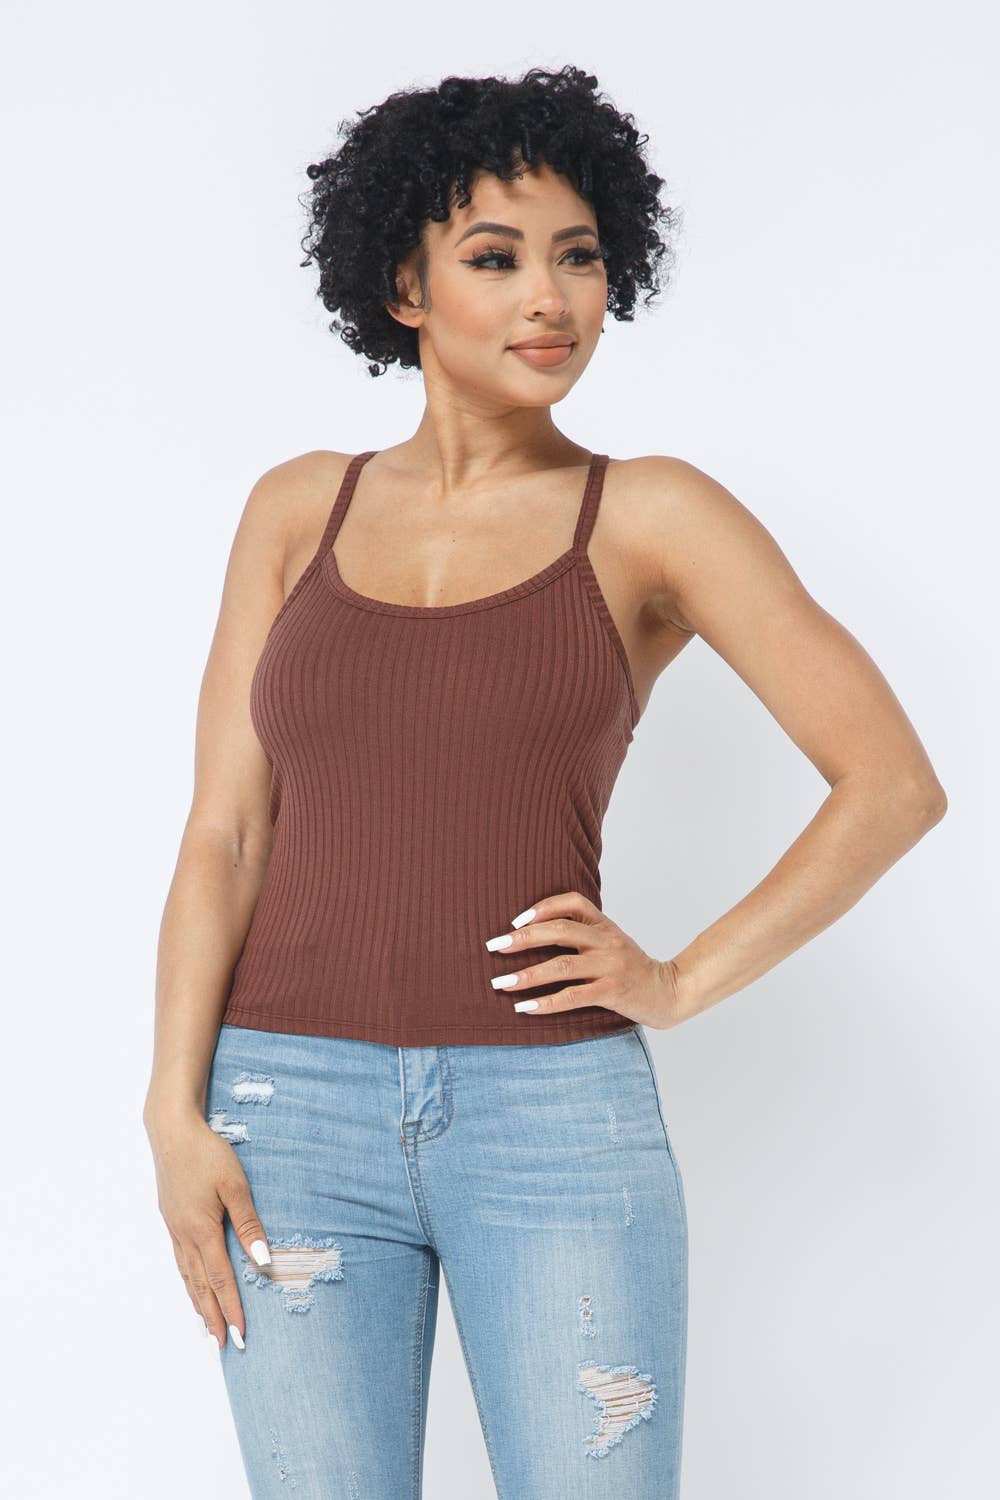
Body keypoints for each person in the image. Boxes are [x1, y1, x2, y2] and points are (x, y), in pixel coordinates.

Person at [143, 64, 947, 1499]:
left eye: (578, 256)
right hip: (287, 1112)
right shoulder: (295, 509)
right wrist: (172, 1109)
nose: (551, 300)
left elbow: (891, 782)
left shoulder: (651, 515)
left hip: (554, 1119)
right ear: (404, 285)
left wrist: (677, 981)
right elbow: (227, 833)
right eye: (496, 258)